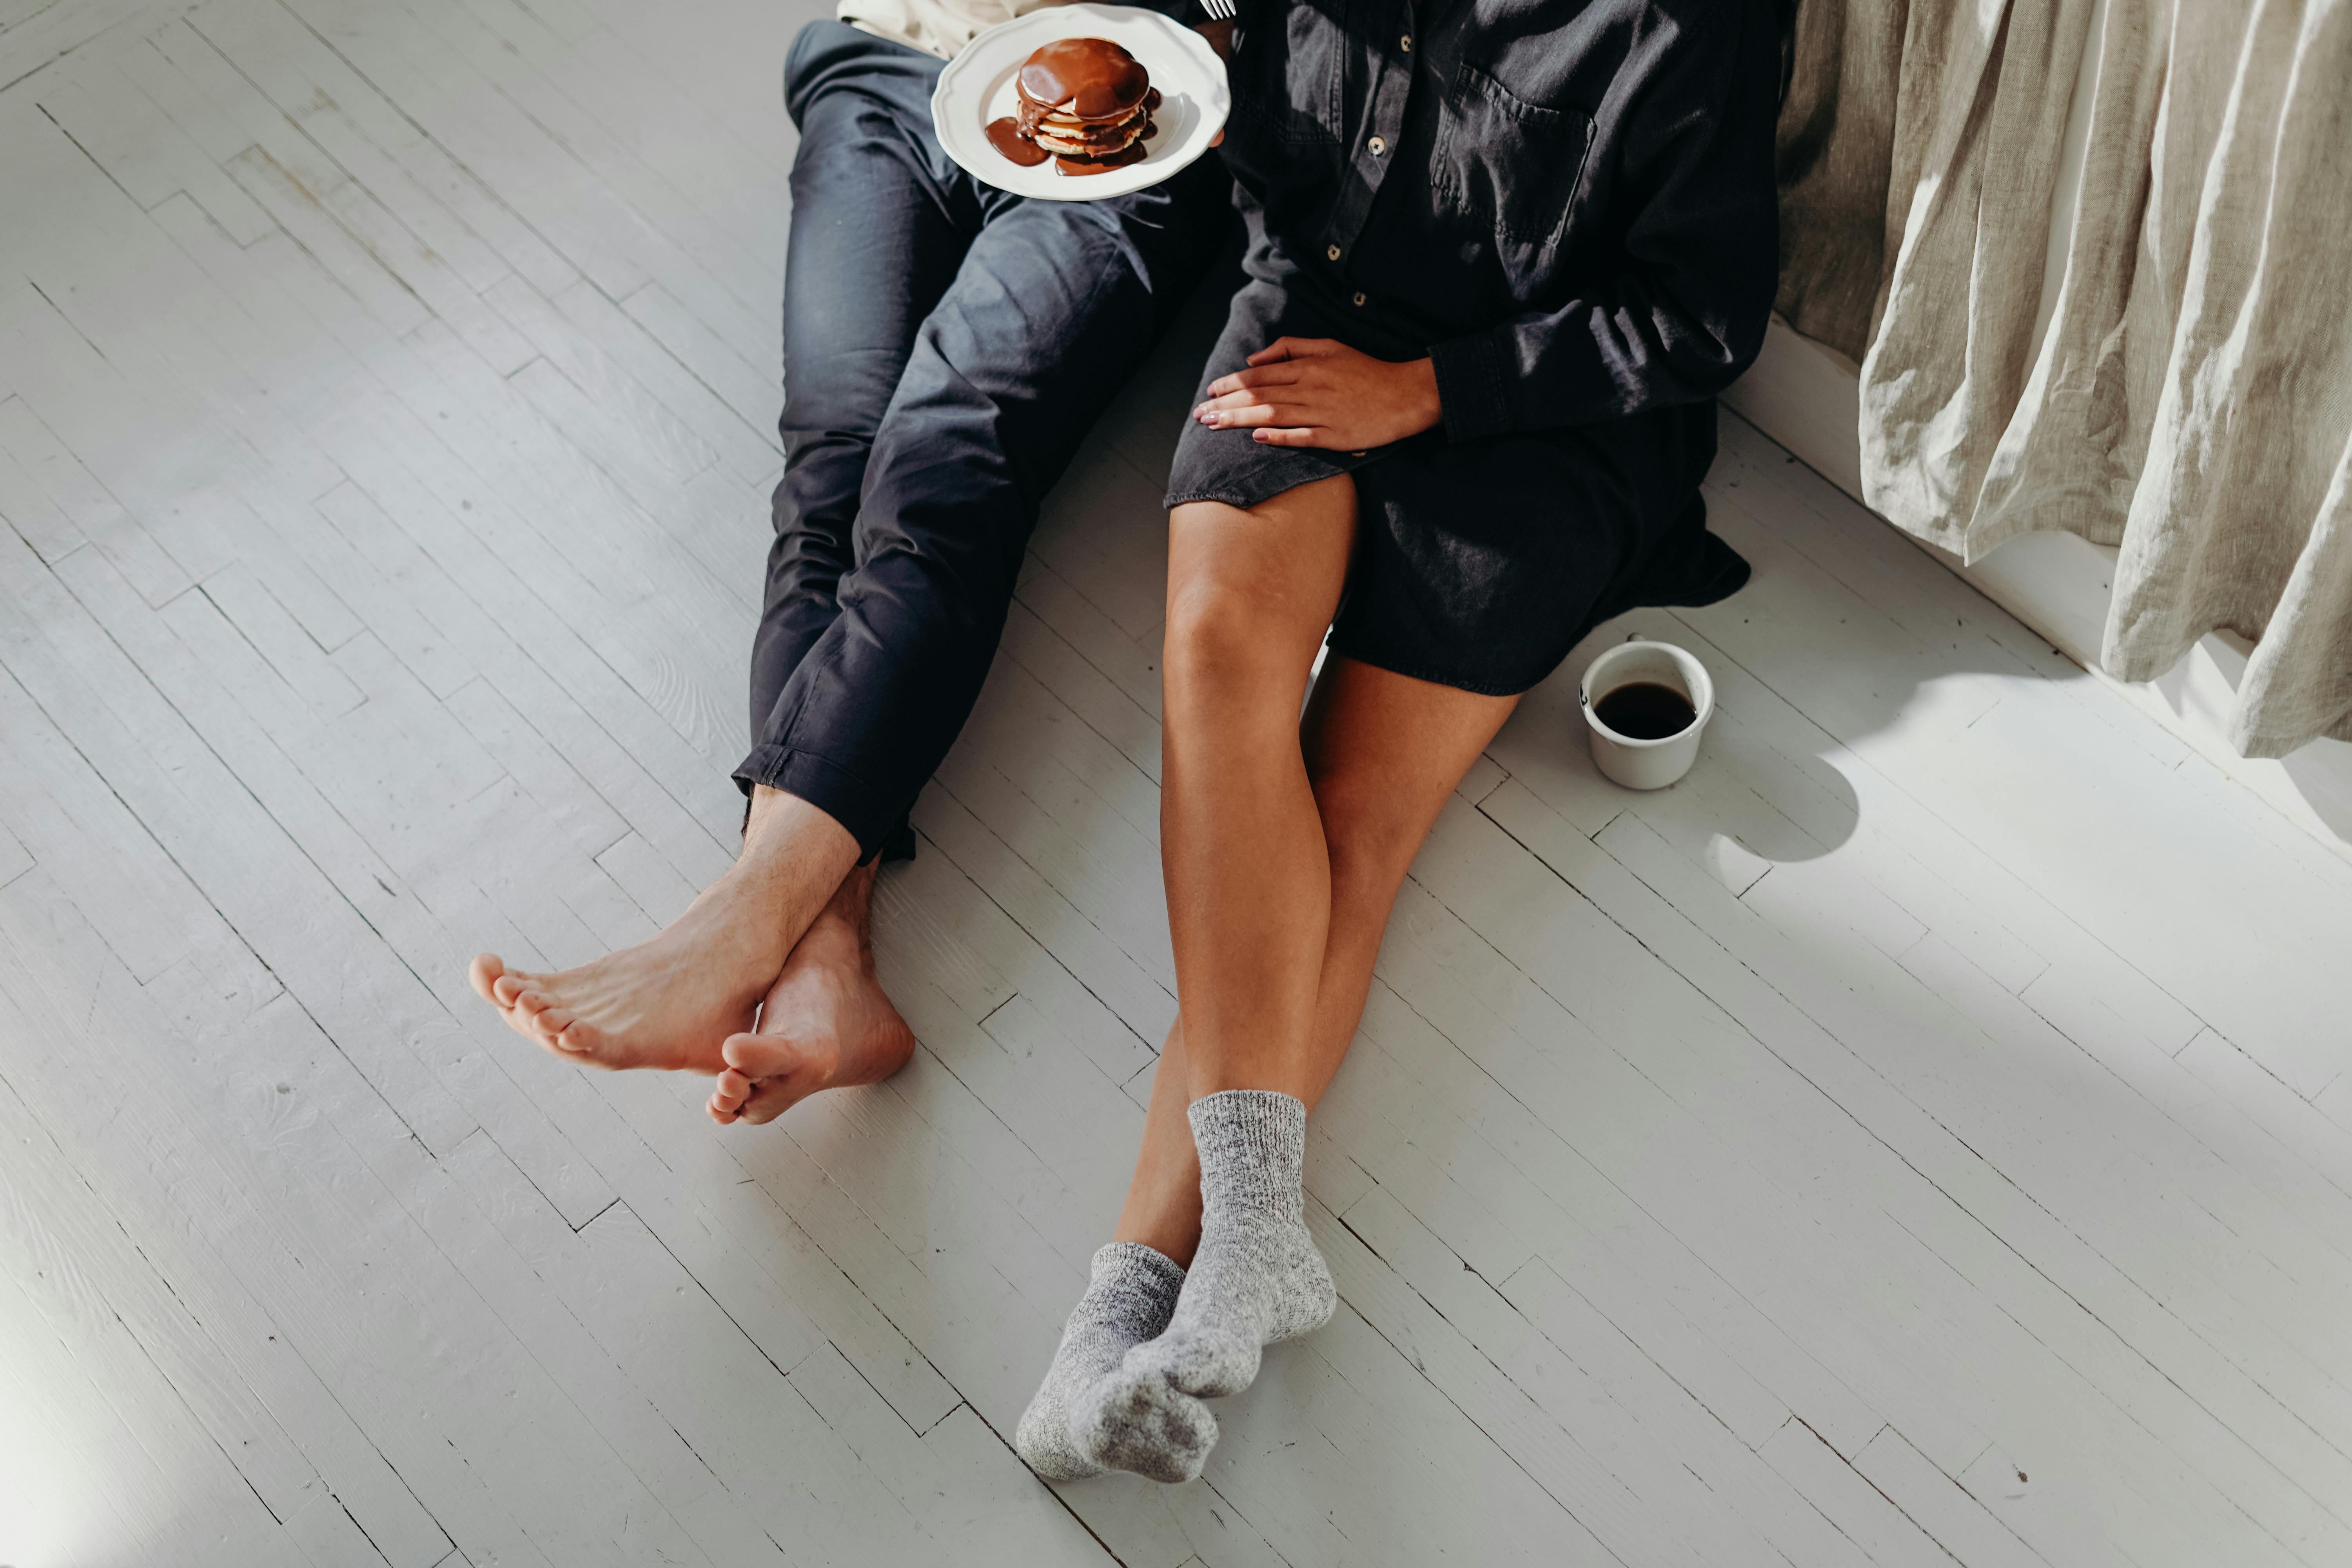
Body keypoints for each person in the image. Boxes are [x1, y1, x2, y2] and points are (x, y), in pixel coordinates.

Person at [1015, 0, 1782, 1483]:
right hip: (1318, 312)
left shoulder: (1694, 23)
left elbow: (1699, 320)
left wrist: (1428, 394)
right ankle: (1226, 1254)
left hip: (1541, 414)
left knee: (1349, 813)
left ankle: (1120, 1314)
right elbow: (1272, 128)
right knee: (1214, 661)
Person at [467, 0, 1234, 1121]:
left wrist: (1216, 28)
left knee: (945, 457)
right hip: (899, 56)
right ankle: (825, 972)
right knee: (831, 464)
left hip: (1150, 112)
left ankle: (735, 927)